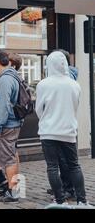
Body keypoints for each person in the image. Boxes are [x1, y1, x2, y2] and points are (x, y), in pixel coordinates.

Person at [36, 51, 92, 207]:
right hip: (68, 130)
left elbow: (39, 109)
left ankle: (60, 201)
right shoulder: (74, 84)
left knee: (52, 166)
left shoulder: (43, 84)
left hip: (48, 131)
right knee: (74, 165)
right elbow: (75, 105)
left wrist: (47, 119)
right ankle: (82, 200)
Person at [0, 49, 22, 203]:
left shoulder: (6, 79)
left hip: (6, 125)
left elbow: (4, 105)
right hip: (10, 124)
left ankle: (13, 192)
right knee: (11, 156)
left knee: (8, 159)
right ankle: (12, 188)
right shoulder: (8, 77)